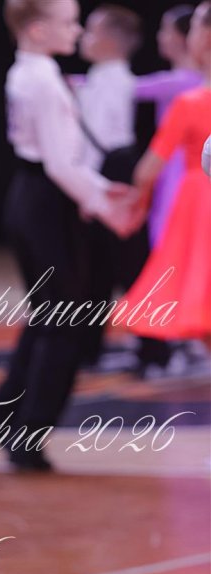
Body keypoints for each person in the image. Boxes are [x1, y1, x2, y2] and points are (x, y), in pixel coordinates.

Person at [0, 0, 140, 472]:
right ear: (37, 29)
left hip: (35, 197)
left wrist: (100, 192)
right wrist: (105, 205)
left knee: (50, 316)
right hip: (48, 204)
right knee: (67, 321)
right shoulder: (43, 79)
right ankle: (26, 435)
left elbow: (62, 162)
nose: (76, 30)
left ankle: (4, 415)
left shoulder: (30, 71)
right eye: (69, 23)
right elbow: (59, 164)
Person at [117, 2, 211, 347]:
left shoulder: (191, 102)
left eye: (196, 27)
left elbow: (147, 170)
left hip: (199, 205)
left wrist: (135, 205)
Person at [71, 5, 150, 368]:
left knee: (126, 265)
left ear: (110, 40)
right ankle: (90, 347)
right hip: (108, 169)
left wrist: (90, 192)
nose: (83, 37)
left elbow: (97, 139)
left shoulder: (114, 80)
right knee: (99, 266)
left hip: (112, 170)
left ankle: (153, 348)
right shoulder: (101, 77)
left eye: (90, 31)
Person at [133, 5, 204, 247]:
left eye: (165, 30)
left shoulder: (187, 85)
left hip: (179, 168)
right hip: (172, 166)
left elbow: (131, 88)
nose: (159, 37)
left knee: (171, 237)